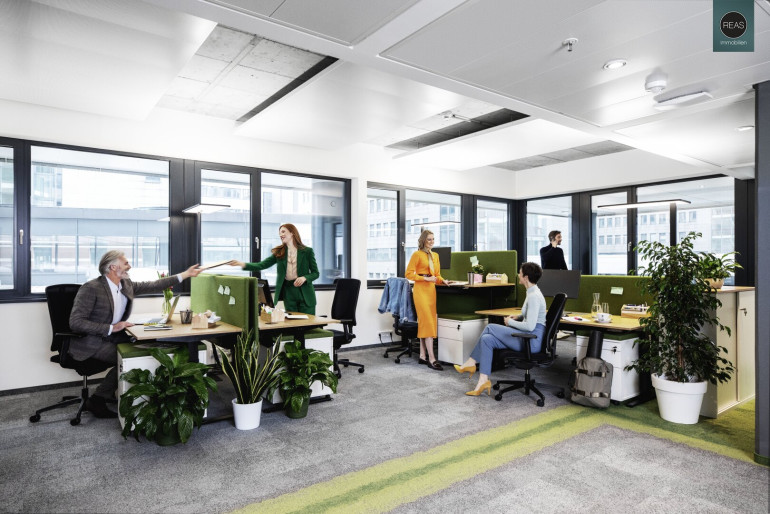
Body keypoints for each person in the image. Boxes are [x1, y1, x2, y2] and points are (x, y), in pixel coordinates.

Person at [69, 250, 203, 418]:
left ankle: (113, 392)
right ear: (113, 267)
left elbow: (154, 285)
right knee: (131, 357)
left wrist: (186, 274)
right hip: (92, 341)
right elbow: (76, 322)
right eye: (126, 263)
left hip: (113, 337)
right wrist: (111, 328)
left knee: (147, 347)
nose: (129, 266)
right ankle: (97, 399)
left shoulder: (125, 284)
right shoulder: (91, 288)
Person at [454, 262, 547, 396]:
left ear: (526, 277)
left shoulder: (534, 296)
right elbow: (531, 316)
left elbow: (530, 326)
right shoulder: (531, 292)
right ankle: (483, 380)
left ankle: (471, 362)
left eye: (520, 273)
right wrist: (518, 317)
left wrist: (510, 322)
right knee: (487, 339)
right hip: (526, 337)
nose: (518, 275)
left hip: (531, 341)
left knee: (490, 327)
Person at [228, 223, 319, 315]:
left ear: (292, 233)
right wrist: (242, 264)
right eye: (280, 233)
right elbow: (262, 265)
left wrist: (305, 278)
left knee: (309, 321)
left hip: (305, 293)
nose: (281, 235)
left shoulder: (307, 251)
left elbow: (316, 273)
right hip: (289, 292)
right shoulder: (279, 252)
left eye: (283, 232)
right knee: (292, 322)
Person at [405, 230, 446, 371]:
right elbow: (408, 274)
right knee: (428, 322)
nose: (432, 241)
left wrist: (444, 281)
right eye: (429, 239)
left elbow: (437, 275)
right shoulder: (417, 255)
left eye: (433, 239)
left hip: (431, 291)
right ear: (423, 240)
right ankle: (432, 359)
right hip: (420, 291)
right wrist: (425, 278)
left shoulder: (436, 256)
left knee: (426, 322)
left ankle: (422, 356)